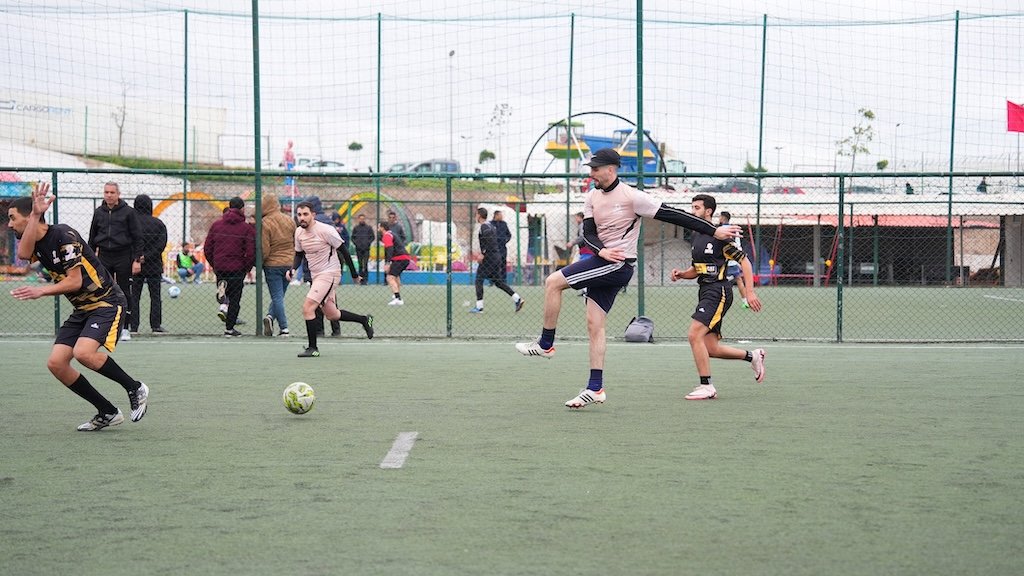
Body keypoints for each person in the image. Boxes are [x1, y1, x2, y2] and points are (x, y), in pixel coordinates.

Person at [514, 148, 742, 409]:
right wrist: (601, 250)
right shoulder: (591, 197)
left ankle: (545, 344)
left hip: (618, 265)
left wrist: (714, 230)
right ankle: (595, 388)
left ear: (611, 169)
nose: (591, 173)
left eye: (595, 169)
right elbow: (588, 233)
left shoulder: (633, 197)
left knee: (552, 282)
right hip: (604, 259)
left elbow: (675, 215)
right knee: (594, 324)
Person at [8, 183, 149, 431]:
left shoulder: (64, 235)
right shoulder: (36, 242)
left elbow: (75, 281)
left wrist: (41, 291)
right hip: (83, 309)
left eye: (12, 218)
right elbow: (23, 254)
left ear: (26, 217)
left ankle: (135, 387)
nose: (9, 224)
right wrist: (35, 215)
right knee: (56, 363)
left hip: (106, 302)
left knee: (84, 353)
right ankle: (107, 411)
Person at [671, 194, 765, 400]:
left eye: (697, 208)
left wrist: (750, 292)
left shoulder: (720, 236)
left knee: (694, 335)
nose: (692, 211)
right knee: (711, 348)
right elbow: (697, 269)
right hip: (705, 291)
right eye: (692, 207)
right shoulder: (696, 236)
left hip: (718, 291)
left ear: (708, 211)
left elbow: (745, 262)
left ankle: (706, 386)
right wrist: (682, 274)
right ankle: (753, 356)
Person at [292, 201, 372, 357]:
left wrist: (354, 275)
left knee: (308, 308)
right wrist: (293, 269)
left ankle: (313, 348)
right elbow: (299, 254)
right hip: (316, 275)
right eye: (299, 214)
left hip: (330, 273)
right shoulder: (299, 232)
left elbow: (344, 251)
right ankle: (364, 320)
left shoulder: (326, 230)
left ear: (313, 215)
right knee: (332, 314)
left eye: (305, 214)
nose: (302, 217)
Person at [88, 181, 144, 341]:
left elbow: (137, 237)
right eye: (106, 192)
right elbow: (92, 237)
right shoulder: (98, 212)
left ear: (118, 194)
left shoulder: (129, 212)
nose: (109, 195)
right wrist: (90, 259)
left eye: (112, 192)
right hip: (103, 256)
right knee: (102, 291)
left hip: (123, 256)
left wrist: (137, 260)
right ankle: (103, 327)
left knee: (124, 291)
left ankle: (125, 328)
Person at [205, 196, 255, 337]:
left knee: (225, 289)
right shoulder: (246, 228)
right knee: (235, 299)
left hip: (220, 266)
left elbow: (208, 248)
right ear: (242, 209)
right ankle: (229, 328)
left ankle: (222, 291)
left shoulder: (216, 225)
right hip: (237, 267)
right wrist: (246, 267)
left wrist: (214, 264)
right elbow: (251, 251)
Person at [469, 207, 523, 314]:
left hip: (489, 258)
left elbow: (488, 240)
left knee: (479, 279)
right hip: (496, 256)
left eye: (476, 214)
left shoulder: (484, 227)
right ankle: (517, 299)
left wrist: (483, 253)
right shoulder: (490, 225)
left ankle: (479, 307)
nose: (475, 216)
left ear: (479, 215)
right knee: (498, 282)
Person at [129, 194, 168, 333]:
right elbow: (161, 245)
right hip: (154, 264)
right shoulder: (158, 224)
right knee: (155, 296)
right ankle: (155, 325)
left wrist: (137, 257)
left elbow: (128, 242)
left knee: (134, 296)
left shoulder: (131, 224)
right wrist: (147, 256)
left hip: (135, 264)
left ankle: (133, 326)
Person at [261, 192, 296, 338]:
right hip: (289, 263)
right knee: (279, 296)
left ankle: (284, 328)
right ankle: (270, 316)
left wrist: (260, 262)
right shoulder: (289, 220)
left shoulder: (265, 223)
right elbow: (295, 241)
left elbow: (264, 248)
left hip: (272, 264)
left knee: (277, 296)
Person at [717, 211, 748, 308]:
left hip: (723, 258)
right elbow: (738, 244)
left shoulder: (719, 230)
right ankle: (745, 301)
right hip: (734, 257)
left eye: (719, 217)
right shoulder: (735, 229)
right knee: (738, 279)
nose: (719, 219)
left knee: (720, 280)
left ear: (722, 218)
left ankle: (720, 300)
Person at [379, 220, 411, 305]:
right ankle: (396, 294)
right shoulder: (392, 234)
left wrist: (387, 263)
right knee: (396, 276)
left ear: (382, 228)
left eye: (379, 227)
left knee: (390, 277)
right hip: (404, 258)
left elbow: (389, 249)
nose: (378, 229)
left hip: (400, 259)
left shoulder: (387, 235)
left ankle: (398, 298)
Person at [350, 213, 375, 284]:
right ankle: (360, 280)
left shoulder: (369, 228)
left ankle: (366, 280)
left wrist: (368, 243)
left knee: (365, 264)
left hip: (366, 249)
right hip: (358, 249)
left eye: (363, 219)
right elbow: (352, 237)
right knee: (360, 264)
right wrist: (356, 244)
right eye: (360, 219)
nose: (362, 220)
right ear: (358, 219)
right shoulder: (356, 228)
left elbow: (372, 237)